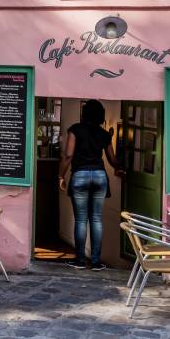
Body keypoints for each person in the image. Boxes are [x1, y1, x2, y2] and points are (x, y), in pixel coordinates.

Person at [58, 99, 124, 271]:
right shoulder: (104, 134)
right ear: (101, 115)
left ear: (84, 113)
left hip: (80, 175)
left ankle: (80, 260)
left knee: (81, 219)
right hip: (100, 176)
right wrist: (121, 167)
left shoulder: (75, 130)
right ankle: (95, 262)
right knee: (96, 219)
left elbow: (68, 156)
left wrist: (60, 175)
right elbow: (112, 159)